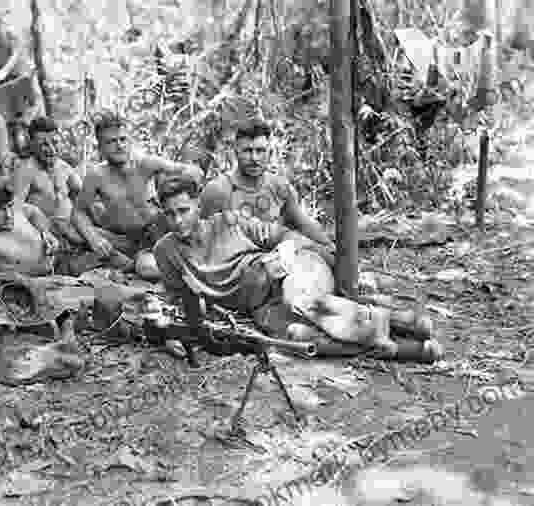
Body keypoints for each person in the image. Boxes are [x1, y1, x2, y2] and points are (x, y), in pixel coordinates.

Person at [153, 175, 442, 366]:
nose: (178, 220)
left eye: (184, 210)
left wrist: (299, 257)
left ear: (197, 206)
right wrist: (170, 334)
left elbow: (285, 236)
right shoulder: (166, 251)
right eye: (170, 214)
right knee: (296, 337)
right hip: (260, 305)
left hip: (293, 271)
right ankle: (408, 344)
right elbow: (174, 298)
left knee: (301, 301)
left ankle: (387, 324)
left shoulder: (228, 222)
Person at [71, 112, 203, 280]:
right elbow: (78, 213)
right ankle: (172, 270)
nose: (119, 146)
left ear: (130, 141)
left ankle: (190, 270)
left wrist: (182, 182)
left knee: (154, 258)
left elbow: (190, 171)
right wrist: (93, 238)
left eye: (123, 139)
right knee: (145, 268)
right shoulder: (96, 175)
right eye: (111, 142)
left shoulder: (145, 163)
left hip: (160, 229)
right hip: (129, 240)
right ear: (101, 147)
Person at [200, 121, 333, 250]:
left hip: (277, 263)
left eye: (260, 151)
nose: (254, 158)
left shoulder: (280, 187)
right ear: (236, 152)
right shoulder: (217, 191)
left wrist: (331, 249)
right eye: (247, 151)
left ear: (269, 152)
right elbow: (203, 242)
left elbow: (302, 224)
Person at [0, 174, 60, 287]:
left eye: (9, 206)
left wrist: (46, 233)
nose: (8, 215)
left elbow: (33, 212)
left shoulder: (16, 211)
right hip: (26, 294)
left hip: (53, 279)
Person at [16, 116, 84, 246]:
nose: (52, 149)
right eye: (44, 144)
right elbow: (15, 210)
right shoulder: (26, 170)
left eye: (55, 142)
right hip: (44, 232)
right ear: (31, 144)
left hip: (71, 227)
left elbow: (83, 198)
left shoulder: (64, 167)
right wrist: (44, 229)